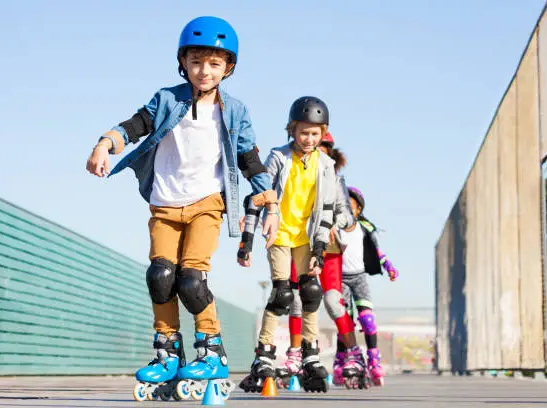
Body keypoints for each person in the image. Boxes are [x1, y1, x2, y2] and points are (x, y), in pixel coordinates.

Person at [85, 16, 279, 401]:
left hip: (208, 203)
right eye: (195, 62)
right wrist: (104, 144)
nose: (203, 71)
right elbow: (135, 125)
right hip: (164, 203)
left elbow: (249, 158)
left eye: (213, 63)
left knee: (191, 279)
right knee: (160, 276)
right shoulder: (168, 99)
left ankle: (212, 350)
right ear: (183, 62)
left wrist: (269, 202)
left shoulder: (234, 110)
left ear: (228, 68)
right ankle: (168, 350)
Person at [238, 96, 336, 393]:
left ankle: (310, 352)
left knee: (311, 292)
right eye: (303, 132)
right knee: (282, 294)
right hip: (279, 235)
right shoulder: (279, 156)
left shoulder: (326, 164)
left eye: (315, 133)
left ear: (323, 134)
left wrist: (320, 248)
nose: (309, 139)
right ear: (292, 130)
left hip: (304, 238)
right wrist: (248, 239)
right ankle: (264, 353)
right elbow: (261, 193)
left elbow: (327, 209)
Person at [275, 132, 356, 388]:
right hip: (299, 242)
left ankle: (354, 355)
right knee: (297, 299)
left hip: (329, 249)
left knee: (332, 301)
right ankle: (296, 354)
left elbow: (348, 217)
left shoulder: (336, 178)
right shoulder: (294, 171)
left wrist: (334, 222)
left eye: (323, 146)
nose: (315, 148)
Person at [334, 186, 399, 387]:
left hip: (359, 277)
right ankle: (341, 361)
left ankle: (373, 360)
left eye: (352, 207)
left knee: (368, 320)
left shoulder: (364, 228)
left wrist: (388, 265)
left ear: (359, 209)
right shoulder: (334, 227)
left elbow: (376, 251)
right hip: (340, 278)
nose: (348, 211)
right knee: (345, 322)